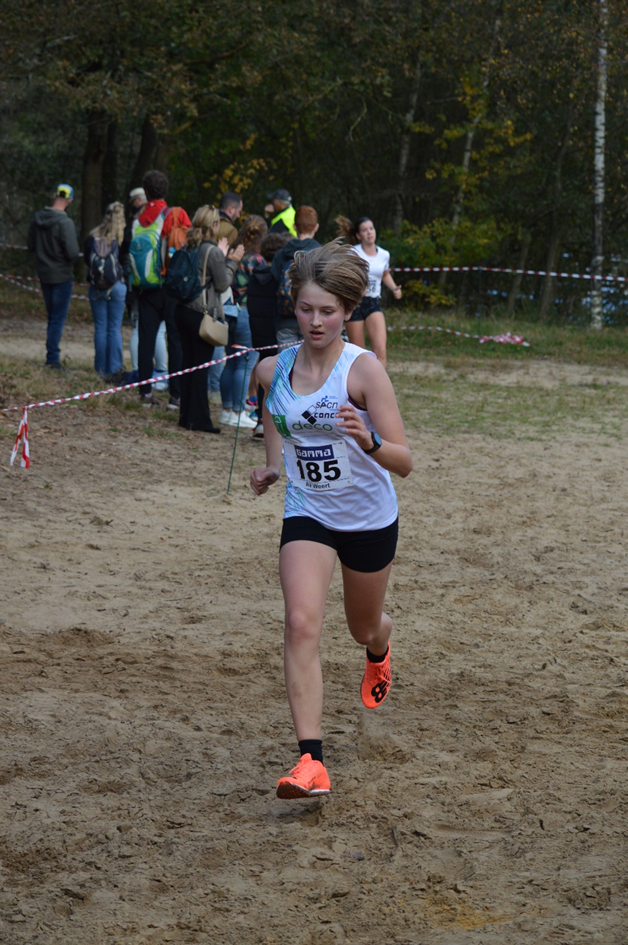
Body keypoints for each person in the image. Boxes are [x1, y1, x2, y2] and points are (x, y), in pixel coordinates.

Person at [250, 241, 413, 799]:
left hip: (368, 517)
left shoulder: (362, 371)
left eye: (327, 311)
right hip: (309, 511)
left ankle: (380, 644)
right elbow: (274, 408)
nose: (315, 321)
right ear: (292, 306)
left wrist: (367, 438)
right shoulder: (273, 367)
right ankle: (310, 762)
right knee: (299, 622)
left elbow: (404, 461)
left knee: (361, 627)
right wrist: (273, 467)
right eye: (304, 309)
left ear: (348, 310)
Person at [174, 206, 243, 433]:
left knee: (188, 365)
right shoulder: (212, 251)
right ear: (214, 226)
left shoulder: (189, 245)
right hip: (200, 313)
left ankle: (186, 417)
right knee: (200, 367)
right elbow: (223, 284)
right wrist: (231, 261)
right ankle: (200, 420)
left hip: (182, 310)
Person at [130, 169, 191, 408]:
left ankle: (145, 394)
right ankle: (176, 396)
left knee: (146, 339)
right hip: (171, 287)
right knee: (174, 340)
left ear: (146, 192)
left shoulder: (138, 218)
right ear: (165, 189)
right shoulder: (174, 214)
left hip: (146, 288)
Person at [219, 215, 267, 429]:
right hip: (247, 313)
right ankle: (239, 412)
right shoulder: (257, 260)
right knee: (245, 365)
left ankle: (226, 410)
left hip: (229, 312)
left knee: (230, 362)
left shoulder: (233, 254)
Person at [336, 216, 403, 370]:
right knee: (358, 353)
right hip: (356, 303)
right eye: (365, 230)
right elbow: (345, 275)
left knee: (380, 350)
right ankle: (358, 390)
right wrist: (357, 286)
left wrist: (394, 289)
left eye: (371, 229)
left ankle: (379, 388)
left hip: (373, 302)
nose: (369, 233)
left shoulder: (384, 254)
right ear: (359, 235)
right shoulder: (353, 252)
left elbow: (385, 274)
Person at [27, 183, 81, 369]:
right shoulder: (65, 223)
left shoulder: (37, 219)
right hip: (62, 275)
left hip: (43, 273)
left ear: (54, 195)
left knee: (52, 316)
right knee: (57, 318)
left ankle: (51, 354)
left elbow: (31, 246)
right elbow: (73, 252)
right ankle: (52, 359)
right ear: (70, 200)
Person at [247, 231, 291, 438]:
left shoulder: (255, 276)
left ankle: (261, 421)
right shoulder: (280, 278)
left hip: (259, 335)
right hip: (277, 333)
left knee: (264, 378)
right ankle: (280, 425)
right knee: (281, 379)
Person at [84, 202, 127, 381]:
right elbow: (125, 261)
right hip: (117, 286)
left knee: (100, 327)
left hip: (96, 287)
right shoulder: (123, 237)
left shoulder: (92, 236)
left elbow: (88, 261)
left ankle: (101, 370)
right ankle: (115, 368)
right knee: (114, 328)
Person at [270, 205, 321, 347]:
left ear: (294, 226)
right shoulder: (322, 254)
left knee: (286, 366)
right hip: (314, 322)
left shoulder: (281, 255)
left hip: (285, 321)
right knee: (312, 366)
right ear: (316, 227)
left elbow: (274, 285)